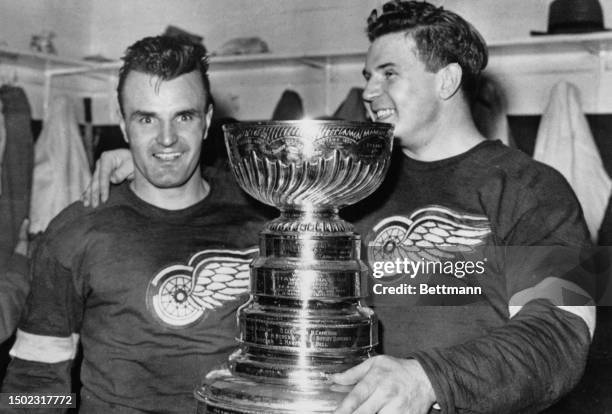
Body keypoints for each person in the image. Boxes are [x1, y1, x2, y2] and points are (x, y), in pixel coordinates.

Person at [82, 2, 597, 413]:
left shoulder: (534, 189)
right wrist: (150, 156)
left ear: (447, 80)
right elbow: (221, 187)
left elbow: (563, 328)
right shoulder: (339, 177)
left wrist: (428, 379)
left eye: (389, 73)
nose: (368, 91)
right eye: (367, 73)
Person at [2, 35, 265, 413]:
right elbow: (36, 377)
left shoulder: (262, 215)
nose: (167, 139)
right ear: (123, 124)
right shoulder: (77, 231)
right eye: (147, 119)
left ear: (207, 120)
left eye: (184, 116)